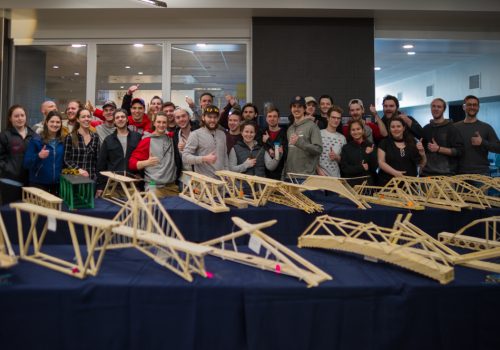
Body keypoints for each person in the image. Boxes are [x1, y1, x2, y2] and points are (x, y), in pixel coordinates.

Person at [129, 113, 181, 198]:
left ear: (167, 124)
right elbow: (131, 164)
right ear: (154, 123)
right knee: (154, 208)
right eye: (159, 122)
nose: (161, 125)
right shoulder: (147, 140)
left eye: (164, 122)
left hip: (171, 186)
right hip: (152, 184)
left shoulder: (171, 138)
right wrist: (146, 162)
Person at [96, 109, 142, 196]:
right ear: (114, 121)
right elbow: (101, 164)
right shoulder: (108, 140)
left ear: (127, 119)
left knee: (134, 209)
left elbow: (142, 158)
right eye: (117, 117)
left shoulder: (137, 137)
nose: (120, 119)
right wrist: (101, 186)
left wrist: (140, 178)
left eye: (122, 117)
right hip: (113, 186)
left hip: (133, 185)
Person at [455, 95, 500, 175]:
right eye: (469, 104)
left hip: (481, 173)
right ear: (464, 107)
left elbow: (498, 148)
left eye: (475, 105)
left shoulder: (486, 127)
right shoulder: (455, 127)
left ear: (478, 108)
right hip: (460, 174)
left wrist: (482, 142)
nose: (472, 107)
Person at [0, 104, 35, 204]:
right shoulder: (5, 135)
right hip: (9, 182)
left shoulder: (33, 135)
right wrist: (7, 169)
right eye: (16, 116)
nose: (20, 118)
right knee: (10, 214)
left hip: (29, 183)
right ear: (10, 118)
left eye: (22, 115)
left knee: (27, 216)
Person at [23, 111, 65, 195]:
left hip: (57, 185)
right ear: (46, 122)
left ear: (61, 124)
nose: (55, 124)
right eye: (52, 121)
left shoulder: (63, 141)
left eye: (58, 122)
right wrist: (38, 156)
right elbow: (26, 164)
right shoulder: (36, 140)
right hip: (38, 184)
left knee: (55, 208)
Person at [182, 105, 228, 178]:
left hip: (222, 182)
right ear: (203, 118)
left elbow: (225, 157)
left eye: (215, 117)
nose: (212, 120)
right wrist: (204, 159)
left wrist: (227, 174)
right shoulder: (195, 134)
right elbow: (185, 157)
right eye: (209, 117)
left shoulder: (222, 134)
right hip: (204, 183)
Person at [377, 117, 426, 186]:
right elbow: (381, 162)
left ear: (404, 128)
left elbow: (422, 164)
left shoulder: (413, 142)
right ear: (390, 129)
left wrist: (423, 154)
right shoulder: (384, 143)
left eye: (398, 126)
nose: (396, 129)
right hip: (389, 184)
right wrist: (395, 173)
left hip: (410, 185)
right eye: (393, 127)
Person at [421, 98, 464, 176]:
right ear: (431, 109)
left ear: (443, 109)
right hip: (427, 175)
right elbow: (422, 152)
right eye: (433, 106)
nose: (436, 109)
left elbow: (459, 151)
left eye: (439, 107)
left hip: (446, 175)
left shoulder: (452, 129)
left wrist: (438, 149)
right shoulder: (426, 129)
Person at [283, 96, 322, 177]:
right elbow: (290, 154)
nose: (296, 109)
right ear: (291, 109)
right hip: (290, 176)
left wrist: (300, 143)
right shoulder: (289, 129)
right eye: (294, 106)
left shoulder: (312, 126)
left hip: (305, 177)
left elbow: (318, 149)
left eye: (299, 106)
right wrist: (284, 174)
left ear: (304, 109)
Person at [63, 108, 100, 181]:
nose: (86, 119)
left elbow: (97, 161)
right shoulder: (70, 137)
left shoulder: (95, 137)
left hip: (91, 180)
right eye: (83, 117)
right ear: (77, 119)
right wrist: (78, 169)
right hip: (74, 179)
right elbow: (66, 159)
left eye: (88, 116)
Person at [340, 120, 377, 186]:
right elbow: (344, 168)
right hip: (352, 186)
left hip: (369, 185)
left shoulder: (371, 146)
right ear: (350, 132)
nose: (356, 132)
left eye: (358, 129)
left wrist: (370, 154)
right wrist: (360, 167)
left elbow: (375, 167)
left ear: (363, 130)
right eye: (353, 130)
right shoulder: (346, 148)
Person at [318, 106, 346, 177]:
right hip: (319, 176)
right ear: (327, 118)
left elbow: (344, 161)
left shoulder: (342, 138)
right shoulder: (319, 133)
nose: (336, 120)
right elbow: (311, 156)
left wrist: (337, 157)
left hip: (335, 177)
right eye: (333, 117)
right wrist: (318, 170)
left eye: (338, 118)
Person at [261, 107, 287, 179]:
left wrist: (268, 140)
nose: (272, 119)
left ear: (278, 119)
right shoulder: (262, 132)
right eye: (269, 116)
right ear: (266, 119)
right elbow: (262, 146)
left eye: (275, 116)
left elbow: (281, 151)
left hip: (280, 174)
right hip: (265, 174)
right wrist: (268, 148)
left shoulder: (285, 133)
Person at [173, 107, 198, 172]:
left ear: (189, 117)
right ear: (175, 121)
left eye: (183, 116)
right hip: (184, 176)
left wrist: (187, 148)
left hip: (200, 174)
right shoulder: (175, 135)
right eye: (178, 118)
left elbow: (206, 152)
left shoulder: (199, 131)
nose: (181, 119)